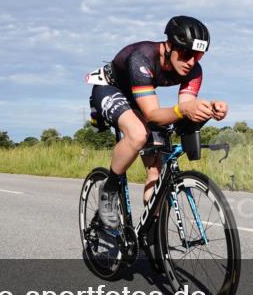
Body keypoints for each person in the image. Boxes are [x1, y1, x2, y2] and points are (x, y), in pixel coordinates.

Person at [86, 16, 228, 230]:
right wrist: (183, 110)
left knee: (157, 174)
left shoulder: (193, 70)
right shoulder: (142, 58)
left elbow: (185, 107)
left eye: (198, 56)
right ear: (169, 46)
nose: (192, 61)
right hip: (111, 89)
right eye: (187, 53)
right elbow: (152, 114)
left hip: (142, 97)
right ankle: (109, 190)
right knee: (138, 134)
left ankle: (152, 237)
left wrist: (207, 110)